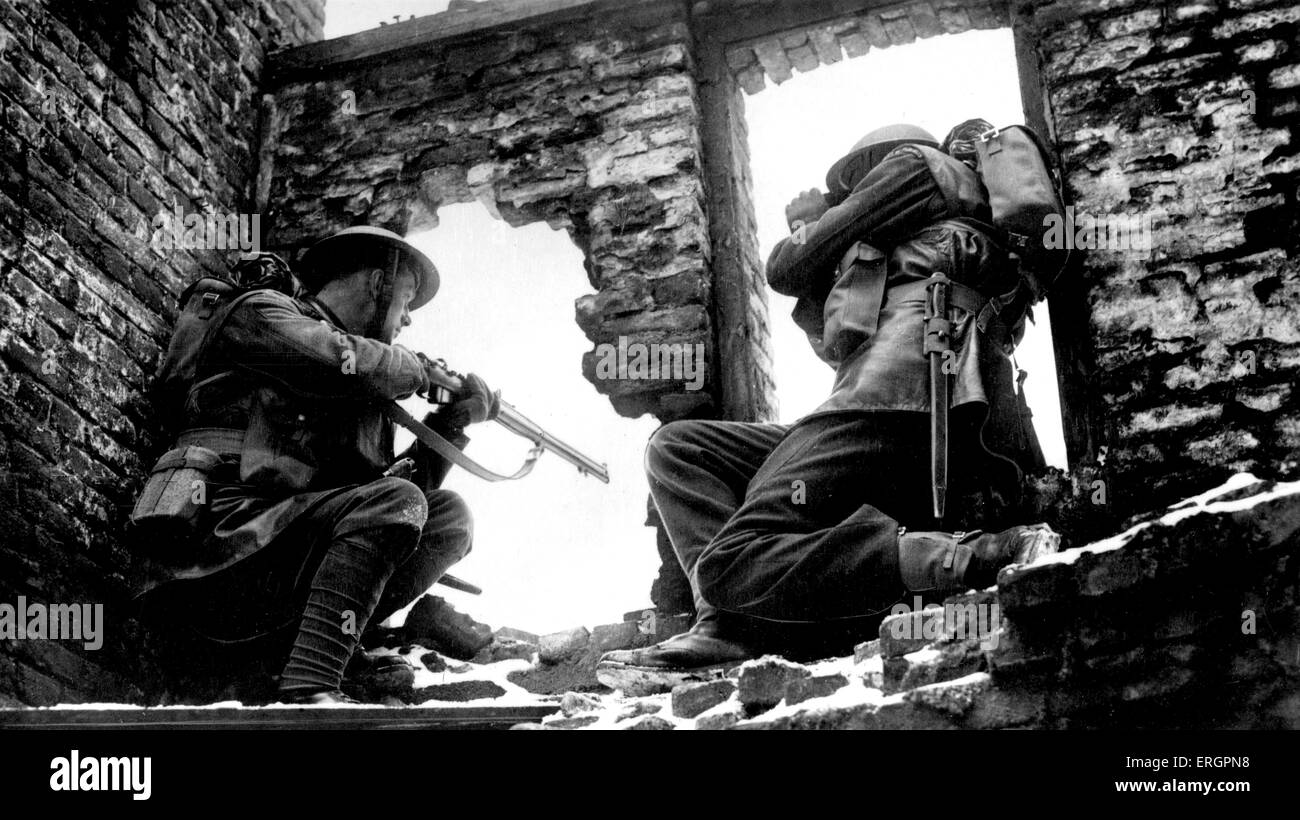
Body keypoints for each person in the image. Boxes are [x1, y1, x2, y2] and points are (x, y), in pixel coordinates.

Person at [598, 123, 1060, 682]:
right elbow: (837, 340)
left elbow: (786, 267)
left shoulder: (918, 167)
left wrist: (810, 223)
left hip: (897, 401)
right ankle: (727, 626)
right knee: (681, 448)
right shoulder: (918, 234)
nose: (851, 194)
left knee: (726, 562)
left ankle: (977, 555)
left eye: (854, 182)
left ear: (873, 164)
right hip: (882, 403)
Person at [134, 226, 499, 704]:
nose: (407, 319)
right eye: (406, 300)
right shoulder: (259, 313)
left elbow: (387, 503)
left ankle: (308, 658)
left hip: (276, 555)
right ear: (376, 284)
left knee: (447, 516)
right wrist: (411, 368)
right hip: (211, 545)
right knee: (398, 502)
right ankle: (311, 686)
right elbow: (331, 361)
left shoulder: (360, 388)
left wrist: (451, 422)